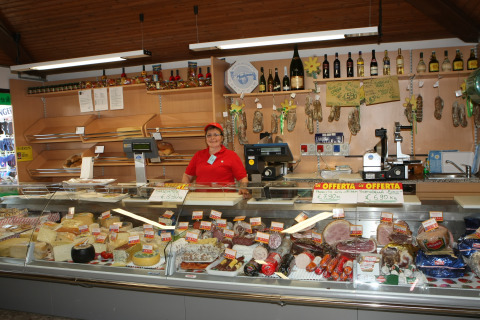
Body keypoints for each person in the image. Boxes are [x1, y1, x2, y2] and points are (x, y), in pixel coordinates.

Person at [182, 122, 250, 198]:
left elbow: (243, 178)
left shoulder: (231, 155)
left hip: (224, 199)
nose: (212, 138)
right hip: (201, 199)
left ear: (222, 138)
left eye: (216, 135)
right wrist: (185, 187)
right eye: (209, 135)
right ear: (206, 138)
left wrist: (243, 188)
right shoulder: (198, 155)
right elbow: (187, 175)